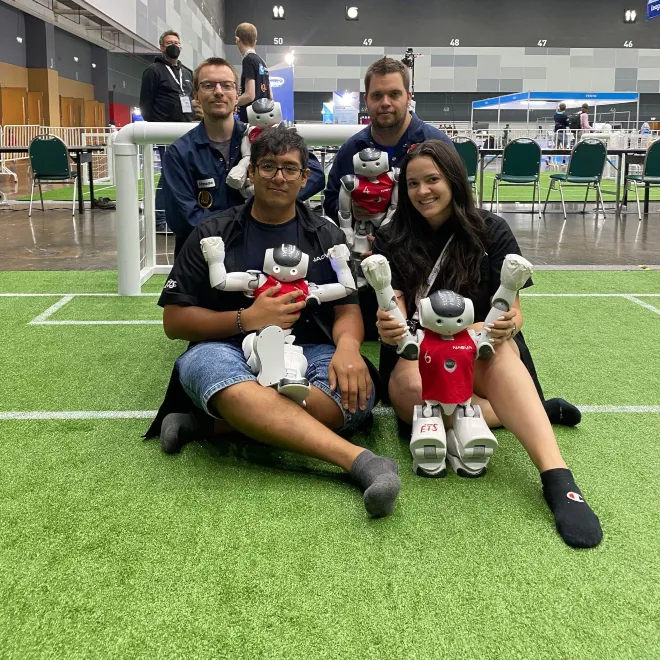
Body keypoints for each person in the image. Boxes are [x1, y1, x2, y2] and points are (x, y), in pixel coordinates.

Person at [145, 125, 400, 519]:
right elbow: (174, 321)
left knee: (355, 395)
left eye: (289, 168)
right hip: (225, 349)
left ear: (304, 177)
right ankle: (359, 461)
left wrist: (349, 349)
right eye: (268, 166)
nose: (279, 176)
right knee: (228, 386)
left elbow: (346, 307)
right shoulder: (212, 233)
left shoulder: (326, 234)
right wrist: (245, 318)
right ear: (251, 172)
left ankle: (208, 426)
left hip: (311, 349)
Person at [372, 140, 602, 548]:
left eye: (432, 180)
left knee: (497, 349)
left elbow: (514, 310)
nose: (422, 191)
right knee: (408, 398)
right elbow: (397, 305)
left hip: (480, 345)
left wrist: (505, 322)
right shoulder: (392, 236)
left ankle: (557, 477)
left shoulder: (491, 230)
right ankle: (531, 411)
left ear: (453, 180)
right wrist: (391, 326)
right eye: (412, 183)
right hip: (419, 349)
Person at [323, 57, 454, 339]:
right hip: (365, 260)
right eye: (377, 96)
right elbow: (330, 200)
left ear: (409, 97)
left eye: (394, 94)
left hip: (424, 261)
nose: (385, 102)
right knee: (372, 329)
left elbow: (458, 205)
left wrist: (399, 240)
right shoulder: (351, 149)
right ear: (366, 101)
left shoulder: (436, 144)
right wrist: (352, 209)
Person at [161, 57, 325, 257]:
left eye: (227, 85)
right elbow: (184, 220)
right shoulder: (180, 153)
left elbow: (315, 174)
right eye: (209, 85)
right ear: (196, 94)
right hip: (205, 259)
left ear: (237, 95)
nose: (219, 91)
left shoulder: (262, 137)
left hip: (261, 255)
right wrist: (250, 222)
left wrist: (275, 200)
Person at [139, 30, 195, 233]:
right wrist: (156, 127)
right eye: (170, 43)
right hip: (164, 132)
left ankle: (179, 215)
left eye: (177, 43)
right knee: (168, 174)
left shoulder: (187, 73)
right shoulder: (153, 71)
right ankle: (160, 218)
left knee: (185, 174)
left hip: (186, 130)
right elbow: (145, 104)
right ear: (162, 47)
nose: (174, 46)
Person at [235, 23, 272, 124]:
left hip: (250, 120)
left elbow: (250, 95)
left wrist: (232, 103)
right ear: (255, 41)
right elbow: (270, 96)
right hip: (263, 119)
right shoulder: (262, 62)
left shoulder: (248, 60)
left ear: (237, 40)